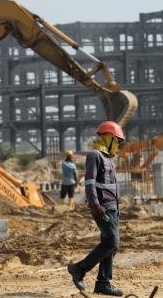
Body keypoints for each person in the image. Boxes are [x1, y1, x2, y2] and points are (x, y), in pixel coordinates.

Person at [68, 121, 124, 296]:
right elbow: (90, 183)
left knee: (112, 245)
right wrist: (95, 204)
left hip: (113, 208)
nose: (118, 145)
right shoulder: (95, 156)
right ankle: (79, 269)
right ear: (108, 138)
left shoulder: (109, 159)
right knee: (111, 242)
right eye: (117, 141)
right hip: (102, 208)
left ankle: (103, 283)